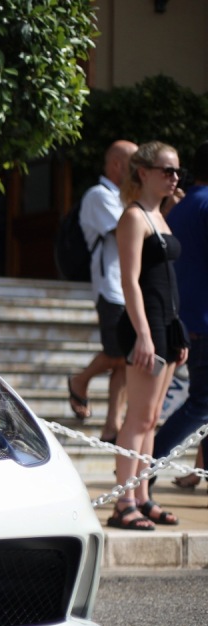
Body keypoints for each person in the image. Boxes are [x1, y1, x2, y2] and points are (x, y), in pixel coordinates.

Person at [108, 141, 185, 531]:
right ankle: (123, 501)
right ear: (144, 172)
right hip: (146, 325)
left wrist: (176, 333)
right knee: (138, 419)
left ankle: (141, 495)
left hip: (167, 324)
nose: (174, 178)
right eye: (167, 171)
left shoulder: (160, 214)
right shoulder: (134, 217)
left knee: (152, 418)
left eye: (177, 172)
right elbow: (130, 281)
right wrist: (143, 334)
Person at [67, 140, 137, 441]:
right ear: (117, 165)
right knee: (118, 354)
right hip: (111, 287)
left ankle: (112, 425)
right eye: (135, 165)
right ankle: (79, 381)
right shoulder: (100, 195)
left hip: (128, 287)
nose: (139, 172)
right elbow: (125, 231)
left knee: (127, 356)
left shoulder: (124, 199)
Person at [151, 141, 208, 485]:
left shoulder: (180, 208)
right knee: (201, 403)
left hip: (187, 316)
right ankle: (148, 463)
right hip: (203, 320)